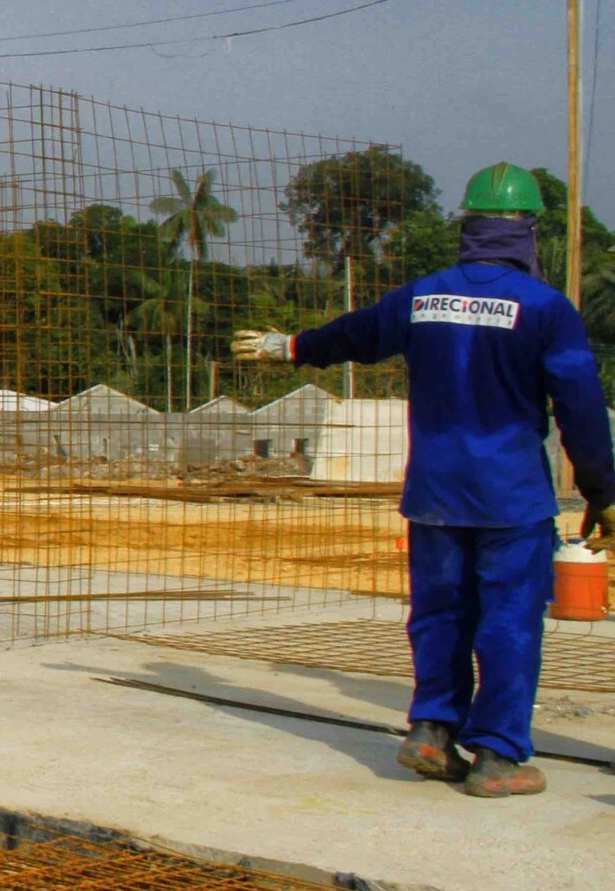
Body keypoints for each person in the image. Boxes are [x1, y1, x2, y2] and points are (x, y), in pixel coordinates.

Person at [235, 162, 613, 799]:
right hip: (509, 496)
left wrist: (290, 346)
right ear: (526, 231)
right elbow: (579, 404)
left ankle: (432, 732)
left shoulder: (422, 296)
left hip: (435, 491)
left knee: (439, 613)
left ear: (468, 227)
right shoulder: (547, 309)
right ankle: (497, 757)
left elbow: (355, 333)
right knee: (509, 621)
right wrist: (604, 493)